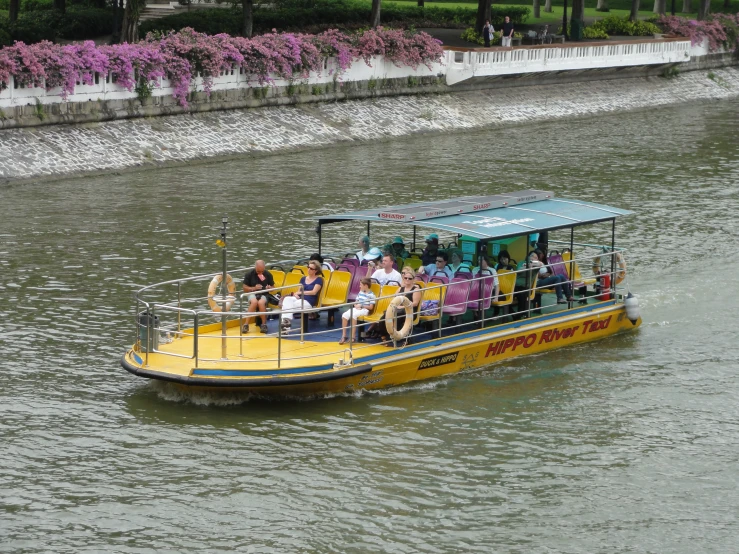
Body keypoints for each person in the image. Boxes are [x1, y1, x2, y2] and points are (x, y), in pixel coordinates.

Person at [378, 266, 422, 345]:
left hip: (409, 311)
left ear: (413, 279)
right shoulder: (400, 289)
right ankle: (384, 337)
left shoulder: (416, 290)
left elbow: (415, 303)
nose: (407, 280)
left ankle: (396, 338)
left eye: (410, 278)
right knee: (383, 318)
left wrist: (402, 307)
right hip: (398, 309)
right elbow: (394, 300)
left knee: (397, 316)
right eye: (405, 278)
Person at [280, 261, 324, 330]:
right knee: (287, 299)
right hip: (299, 299)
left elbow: (313, 292)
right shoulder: (303, 278)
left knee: (289, 306)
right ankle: (286, 323)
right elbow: (298, 291)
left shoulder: (319, 280)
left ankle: (285, 325)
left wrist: (301, 293)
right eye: (308, 267)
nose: (309, 269)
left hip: (308, 302)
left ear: (316, 271)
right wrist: (296, 294)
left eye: (311, 268)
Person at [339, 277, 376, 345]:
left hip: (365, 309)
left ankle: (353, 337)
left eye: (361, 285)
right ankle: (344, 336)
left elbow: (371, 307)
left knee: (354, 315)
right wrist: (356, 306)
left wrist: (361, 306)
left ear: (366, 286)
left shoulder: (371, 295)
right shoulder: (360, 292)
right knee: (344, 315)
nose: (359, 286)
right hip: (357, 308)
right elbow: (356, 302)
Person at [242, 260, 275, 334]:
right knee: (254, 302)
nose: (260, 273)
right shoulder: (249, 274)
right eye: (258, 272)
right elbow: (244, 287)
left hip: (264, 293)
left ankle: (263, 324)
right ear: (255, 268)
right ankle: (246, 324)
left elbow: (273, 287)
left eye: (262, 271)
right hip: (253, 292)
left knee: (261, 303)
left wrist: (270, 288)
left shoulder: (268, 274)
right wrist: (253, 288)